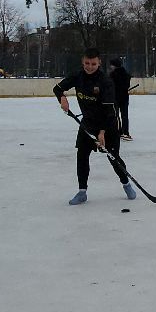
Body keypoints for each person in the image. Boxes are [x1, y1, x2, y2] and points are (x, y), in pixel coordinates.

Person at [54, 47, 135, 205]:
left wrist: (102, 133)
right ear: (82, 62)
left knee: (113, 158)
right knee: (82, 156)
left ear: (99, 63)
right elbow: (57, 89)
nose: (89, 66)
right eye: (86, 63)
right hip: (88, 123)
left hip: (108, 125)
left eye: (93, 63)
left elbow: (110, 111)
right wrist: (62, 98)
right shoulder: (77, 76)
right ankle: (82, 191)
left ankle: (126, 184)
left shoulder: (105, 81)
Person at [109, 56, 133, 140]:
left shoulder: (112, 75)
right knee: (124, 116)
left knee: (116, 116)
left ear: (114, 65)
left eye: (111, 65)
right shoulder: (126, 74)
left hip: (115, 98)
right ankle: (126, 133)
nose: (110, 66)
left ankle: (119, 132)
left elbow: (110, 87)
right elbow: (126, 86)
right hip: (125, 98)